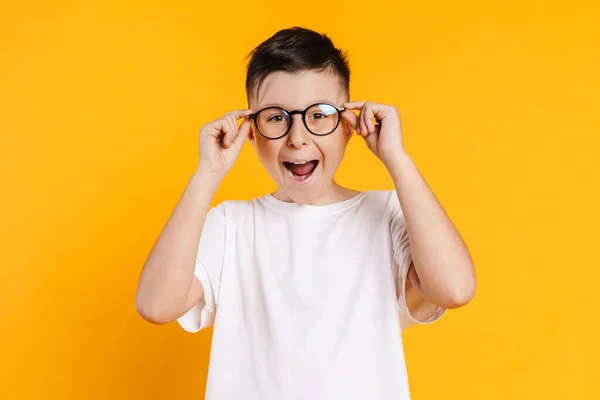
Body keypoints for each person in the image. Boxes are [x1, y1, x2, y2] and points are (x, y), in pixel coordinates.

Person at [136, 26, 476, 400]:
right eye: (277, 117)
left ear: (348, 125)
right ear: (251, 132)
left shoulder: (386, 216)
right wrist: (208, 173)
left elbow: (455, 289)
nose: (297, 136)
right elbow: (156, 305)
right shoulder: (232, 226)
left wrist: (397, 158)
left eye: (319, 114)